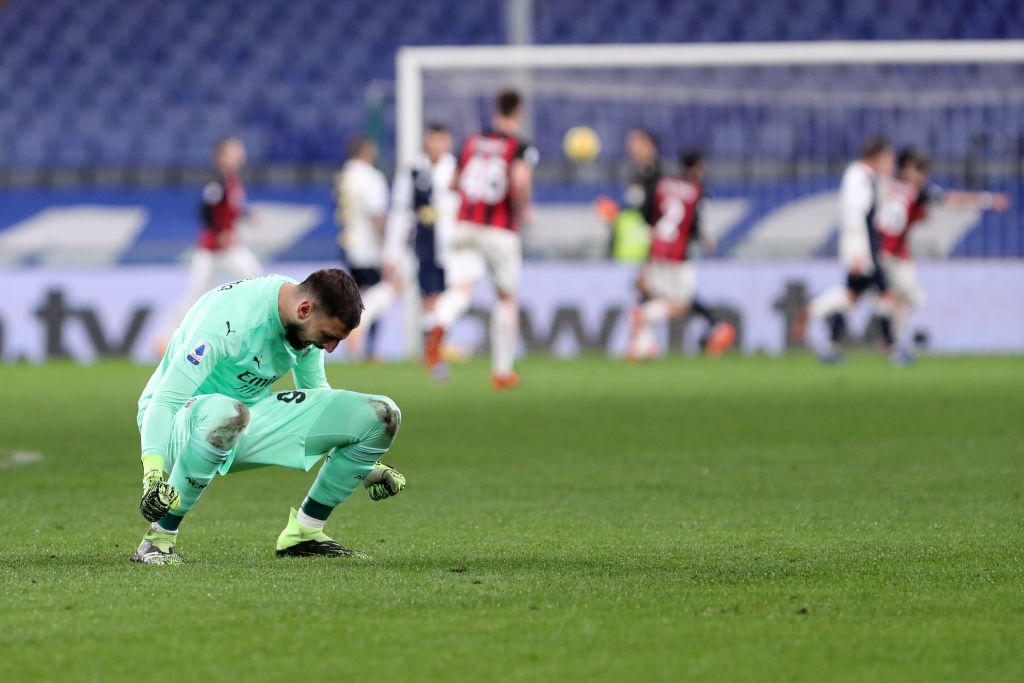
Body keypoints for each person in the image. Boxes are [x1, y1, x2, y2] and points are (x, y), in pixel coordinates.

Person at [132, 269, 406, 564]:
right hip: (176, 424)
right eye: (328, 337)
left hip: (244, 416)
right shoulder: (229, 321)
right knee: (228, 413)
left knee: (381, 414)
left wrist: (362, 465)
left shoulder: (302, 323)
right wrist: (152, 475)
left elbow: (317, 398)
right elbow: (165, 400)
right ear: (305, 310)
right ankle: (158, 540)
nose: (330, 347)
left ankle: (304, 534)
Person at [423, 88, 538, 388]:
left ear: (495, 110)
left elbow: (452, 183)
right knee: (505, 298)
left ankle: (436, 327)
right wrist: (524, 209)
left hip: (465, 226)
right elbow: (520, 180)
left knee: (461, 290)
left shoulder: (472, 142)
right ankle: (502, 371)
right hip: (499, 230)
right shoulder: (520, 146)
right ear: (519, 113)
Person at [875, 148, 1010, 364]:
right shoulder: (915, 191)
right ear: (909, 169)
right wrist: (989, 200)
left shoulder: (891, 187)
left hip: (884, 251)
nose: (923, 177)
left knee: (898, 298)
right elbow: (952, 200)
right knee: (911, 297)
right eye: (921, 171)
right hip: (893, 254)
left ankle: (891, 340)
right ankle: (893, 344)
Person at [625, 150, 736, 360]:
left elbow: (646, 213)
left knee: (653, 292)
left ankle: (644, 343)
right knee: (681, 303)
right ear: (696, 167)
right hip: (678, 254)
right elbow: (694, 223)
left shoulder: (663, 184)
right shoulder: (697, 190)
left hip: (657, 248)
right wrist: (703, 237)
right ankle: (644, 316)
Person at [157, 137, 262, 350]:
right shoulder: (217, 181)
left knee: (258, 282)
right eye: (235, 151)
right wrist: (220, 231)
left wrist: (245, 215)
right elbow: (205, 209)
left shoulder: (232, 181)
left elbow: (226, 209)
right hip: (211, 249)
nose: (240, 154)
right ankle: (165, 337)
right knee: (195, 293)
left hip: (229, 247)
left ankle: (261, 335)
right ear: (222, 156)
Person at [804, 136, 896, 363]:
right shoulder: (858, 178)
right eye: (888, 158)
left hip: (867, 246)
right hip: (861, 248)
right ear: (878, 157)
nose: (891, 163)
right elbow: (854, 217)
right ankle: (889, 345)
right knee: (882, 292)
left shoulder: (871, 179)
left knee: (851, 297)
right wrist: (858, 254)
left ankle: (829, 342)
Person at [382, 122, 459, 338]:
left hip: (454, 242)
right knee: (431, 295)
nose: (438, 145)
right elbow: (400, 212)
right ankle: (432, 344)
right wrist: (392, 251)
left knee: (452, 295)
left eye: (442, 140)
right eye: (434, 139)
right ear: (426, 141)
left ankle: (439, 341)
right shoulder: (413, 171)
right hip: (425, 242)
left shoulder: (457, 170)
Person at [334, 137, 390, 361]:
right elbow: (376, 214)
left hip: (348, 242)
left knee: (353, 296)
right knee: (380, 293)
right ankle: (370, 348)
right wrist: (386, 245)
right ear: (367, 152)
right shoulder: (370, 177)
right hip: (368, 247)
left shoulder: (344, 176)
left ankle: (350, 346)